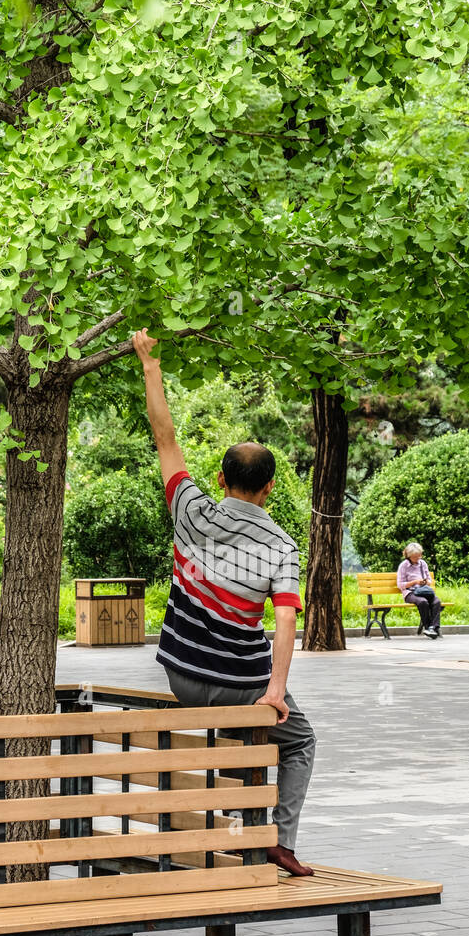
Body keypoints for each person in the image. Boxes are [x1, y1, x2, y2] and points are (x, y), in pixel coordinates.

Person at [132, 327, 316, 877]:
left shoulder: (190, 511)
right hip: (241, 684)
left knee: (240, 738)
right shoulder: (280, 545)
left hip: (184, 678)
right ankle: (277, 840)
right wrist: (275, 690)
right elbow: (284, 620)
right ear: (270, 488)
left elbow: (165, 438)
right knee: (298, 739)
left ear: (220, 479)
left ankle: (232, 834)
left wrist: (151, 363)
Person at [397, 541, 442, 639]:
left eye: (419, 555)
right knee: (423, 602)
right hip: (410, 592)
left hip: (423, 590)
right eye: (415, 556)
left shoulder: (423, 564)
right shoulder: (403, 566)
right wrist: (414, 582)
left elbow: (429, 580)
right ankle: (427, 627)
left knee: (437, 601)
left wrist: (425, 582)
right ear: (408, 556)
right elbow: (400, 585)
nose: (418, 558)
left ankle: (432, 628)